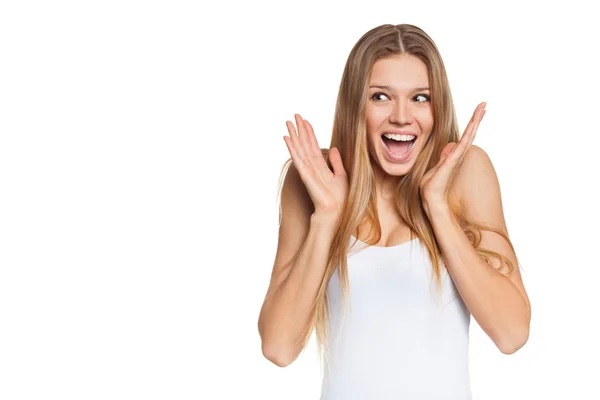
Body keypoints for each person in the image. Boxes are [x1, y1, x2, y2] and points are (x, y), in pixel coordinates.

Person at [257, 23, 531, 399]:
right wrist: (326, 218)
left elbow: (512, 334)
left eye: (420, 98)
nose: (402, 117)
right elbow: (279, 347)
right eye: (381, 97)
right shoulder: (313, 179)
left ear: (438, 107)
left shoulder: (466, 171)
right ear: (356, 103)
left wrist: (437, 205)